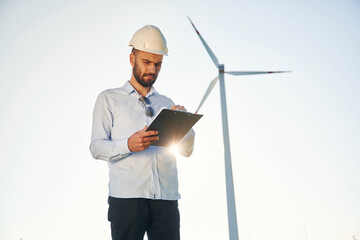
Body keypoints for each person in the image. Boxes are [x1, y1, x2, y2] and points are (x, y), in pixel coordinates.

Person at [89, 25, 195, 240]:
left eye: (158, 64)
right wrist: (128, 145)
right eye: (147, 62)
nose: (152, 70)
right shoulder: (109, 99)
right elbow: (96, 147)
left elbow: (187, 150)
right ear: (132, 59)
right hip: (127, 200)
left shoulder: (167, 103)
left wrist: (184, 125)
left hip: (166, 199)